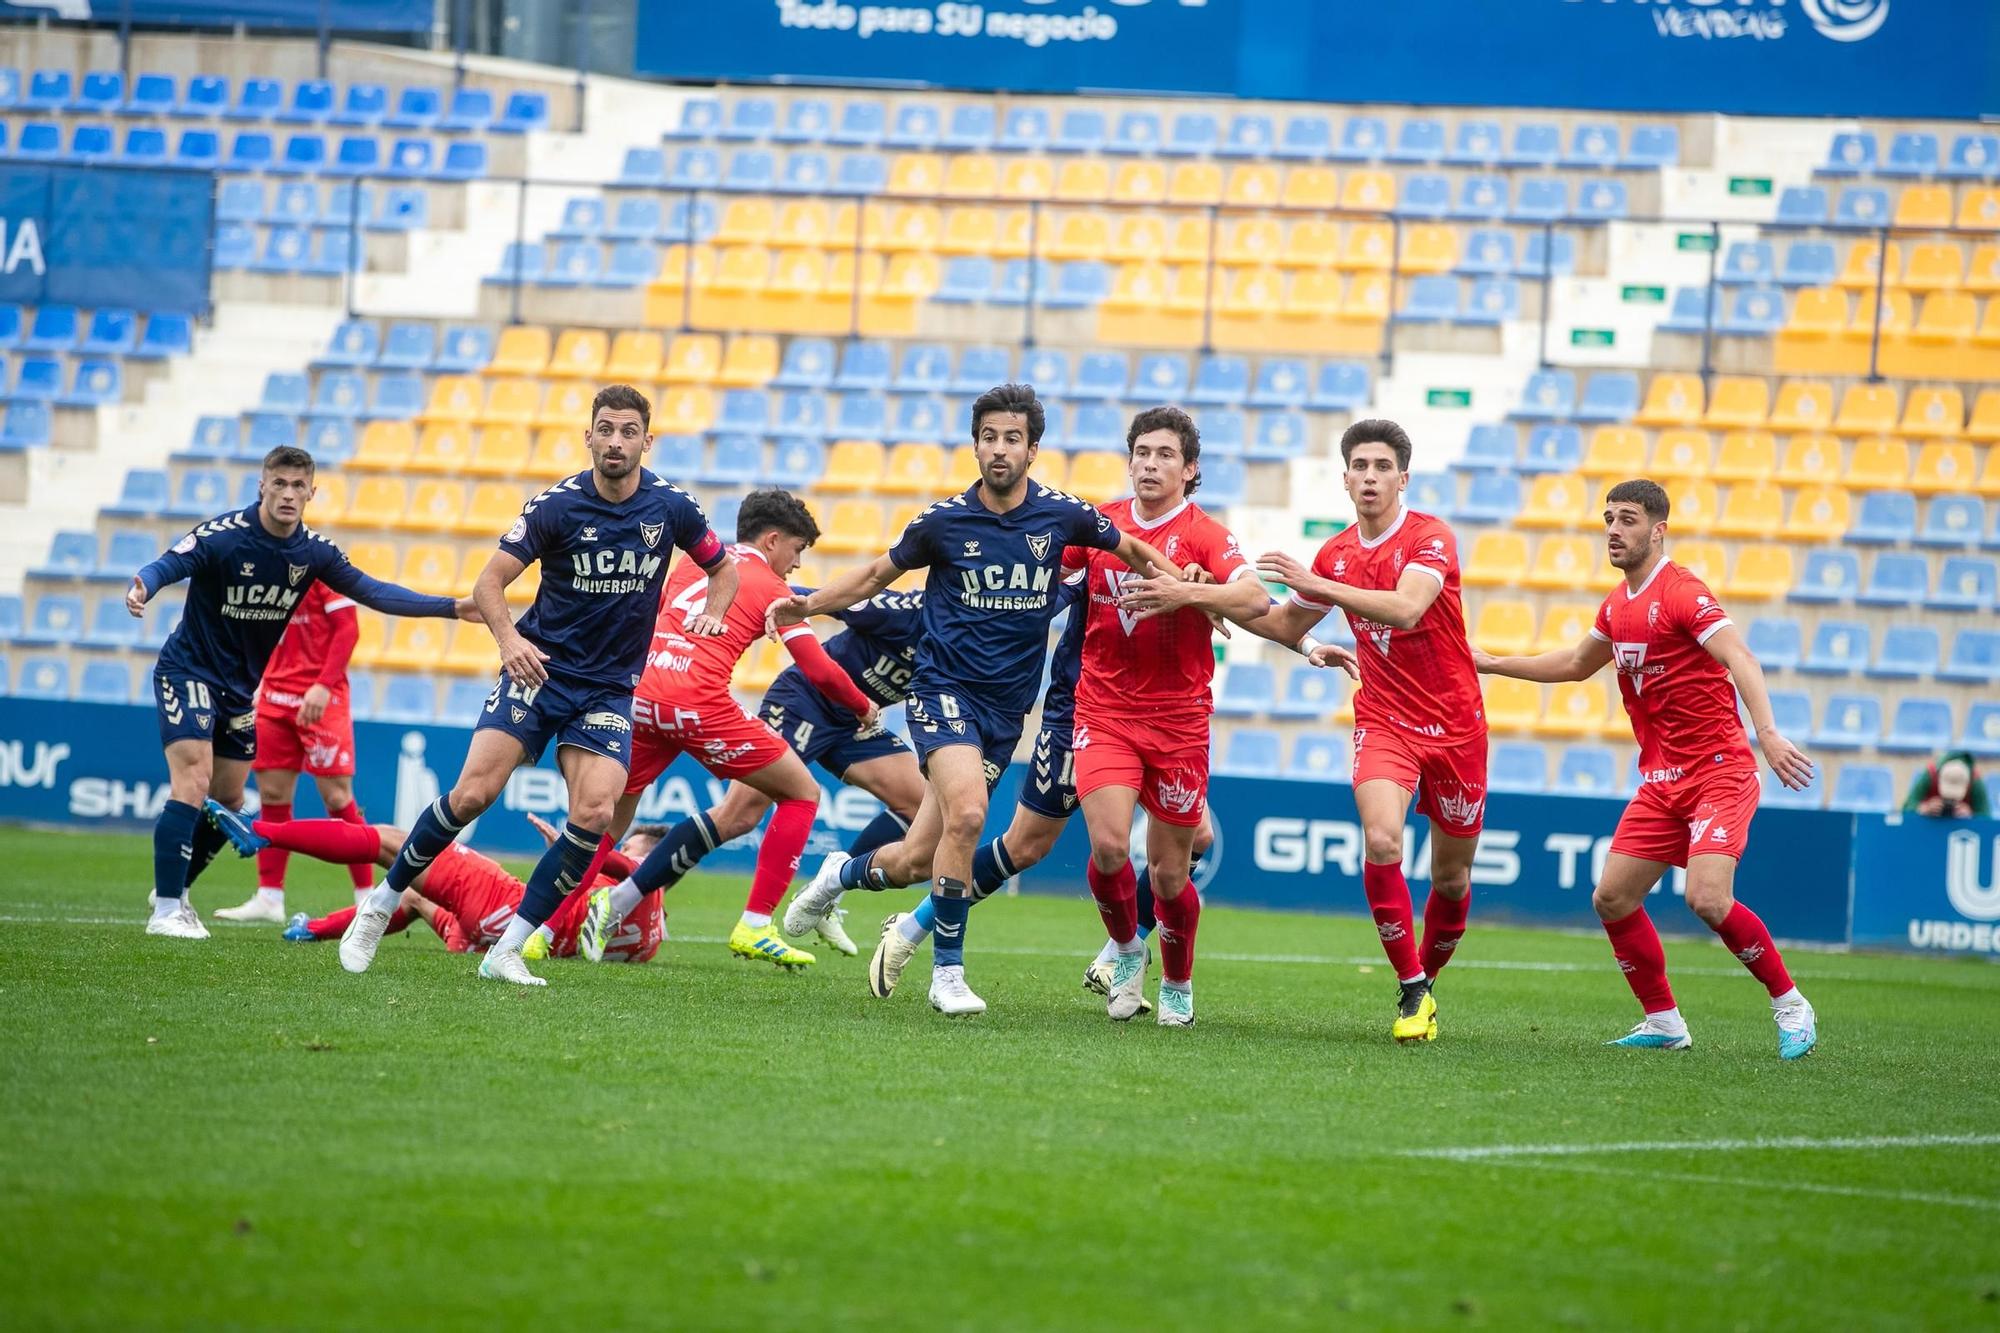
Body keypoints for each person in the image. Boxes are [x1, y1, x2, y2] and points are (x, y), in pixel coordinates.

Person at [773, 383, 1179, 1016]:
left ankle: (835, 877)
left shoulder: (1063, 516)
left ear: (1032, 449)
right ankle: (948, 976)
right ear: (976, 445)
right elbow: (876, 575)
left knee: (915, 859)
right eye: (988, 437)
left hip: (1004, 711)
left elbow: (1129, 548)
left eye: (1011, 438)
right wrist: (806, 603)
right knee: (967, 818)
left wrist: (1183, 587)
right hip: (942, 692)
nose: (998, 449)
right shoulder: (942, 522)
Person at [335, 384, 736, 986]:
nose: (616, 442)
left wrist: (715, 612)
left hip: (607, 688)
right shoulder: (555, 506)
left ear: (647, 442)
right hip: (539, 671)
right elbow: (490, 584)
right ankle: (382, 901)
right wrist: (509, 641)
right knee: (472, 795)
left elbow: (723, 567)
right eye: (606, 429)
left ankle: (508, 951)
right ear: (589, 437)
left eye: (629, 432)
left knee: (596, 812)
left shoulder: (672, 507)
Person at [1474, 478, 1820, 1060]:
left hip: (1719, 772)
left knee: (1708, 900)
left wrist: (1767, 734)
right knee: (1612, 898)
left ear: (1657, 530)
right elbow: (1576, 664)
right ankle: (1664, 1022)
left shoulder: (1683, 592)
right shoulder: (1616, 604)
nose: (1614, 529)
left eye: (1628, 519)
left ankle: (1790, 1003)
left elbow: (1741, 657)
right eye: (1609, 518)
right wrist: (1493, 663)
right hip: (1663, 782)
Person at [125, 444, 471, 940]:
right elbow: (170, 562)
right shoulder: (225, 537)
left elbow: (373, 592)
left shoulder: (313, 552)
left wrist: (452, 608)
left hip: (238, 692)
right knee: (195, 781)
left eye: (298, 486)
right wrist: (144, 586)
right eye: (279, 484)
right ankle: (164, 911)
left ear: (312, 492)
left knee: (228, 798)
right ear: (262, 486)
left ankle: (175, 893)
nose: (288, 494)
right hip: (188, 672)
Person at [1244, 419, 1488, 1044]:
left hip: (1457, 728)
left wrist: (1316, 585)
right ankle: (1412, 989)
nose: (1371, 477)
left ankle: (1424, 984)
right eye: (1361, 466)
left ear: (1403, 478)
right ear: (1346, 477)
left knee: (1451, 878)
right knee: (1382, 840)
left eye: (1383, 467)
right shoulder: (1336, 553)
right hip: (1384, 720)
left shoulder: (1430, 537)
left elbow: (1408, 610)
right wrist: (1204, 597)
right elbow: (1279, 622)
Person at [1060, 406, 1286, 1027]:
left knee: (1165, 872)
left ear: (1190, 470)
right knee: (1108, 846)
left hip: (1179, 720)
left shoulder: (1205, 535)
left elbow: (1256, 597)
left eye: (1164, 455)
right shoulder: (1099, 524)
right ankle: (1129, 950)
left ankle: (1179, 982)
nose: (1150, 464)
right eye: (1141, 453)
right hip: (1103, 707)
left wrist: (1187, 592)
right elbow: (1045, 572)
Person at [595, 489, 878, 970]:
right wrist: (863, 706)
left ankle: (551, 924)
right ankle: (755, 924)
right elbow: (820, 670)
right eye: (796, 550)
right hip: (698, 704)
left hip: (641, 698)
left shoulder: (691, 562)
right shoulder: (771, 588)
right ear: (772, 541)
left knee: (603, 819)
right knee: (802, 793)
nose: (796, 566)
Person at [582, 583, 929, 963]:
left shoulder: (967, 639)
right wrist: (770, 603)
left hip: (856, 721)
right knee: (738, 816)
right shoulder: (906, 609)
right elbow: (813, 596)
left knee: (919, 803)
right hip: (805, 701)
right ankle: (618, 902)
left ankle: (826, 896)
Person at [206, 804, 666, 963]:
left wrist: (590, 848)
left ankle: (263, 832)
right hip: (502, 930)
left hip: (500, 900)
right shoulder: (651, 941)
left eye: (637, 848)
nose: (630, 852)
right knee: (412, 893)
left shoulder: (639, 877)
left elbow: (631, 870)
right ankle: (315, 929)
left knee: (390, 842)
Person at [213, 580, 372, 924]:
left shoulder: (325, 567)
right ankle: (270, 897)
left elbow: (348, 629)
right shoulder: (264, 568)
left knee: (337, 797)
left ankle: (367, 900)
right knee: (272, 793)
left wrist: (323, 686)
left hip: (321, 699)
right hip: (273, 697)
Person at [1904, 751, 1990, 819]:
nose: (1950, 801)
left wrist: (1971, 815)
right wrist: (1923, 808)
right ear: (1938, 778)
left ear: (1967, 784)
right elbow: (1906, 808)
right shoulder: (1929, 775)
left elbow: (1986, 818)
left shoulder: (1976, 782)